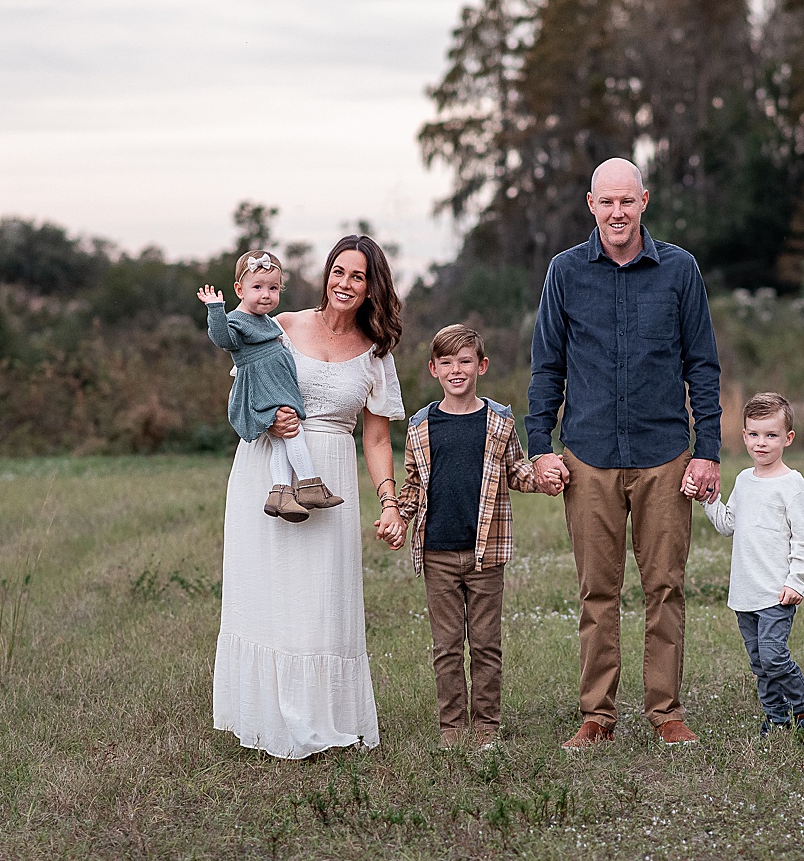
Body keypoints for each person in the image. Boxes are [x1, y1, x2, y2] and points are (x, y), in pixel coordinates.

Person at [526, 157, 723, 749]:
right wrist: (541, 447)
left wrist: (706, 451)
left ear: (644, 202)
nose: (617, 212)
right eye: (606, 202)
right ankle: (597, 717)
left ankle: (666, 713)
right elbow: (547, 368)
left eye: (627, 201)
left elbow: (703, 366)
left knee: (665, 586)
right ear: (591, 204)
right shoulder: (564, 273)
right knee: (597, 592)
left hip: (665, 454)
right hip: (587, 456)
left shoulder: (680, 270)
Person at [212, 234, 408, 760]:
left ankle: (321, 716)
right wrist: (267, 417)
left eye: (358, 276)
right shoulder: (283, 325)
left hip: (331, 475)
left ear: (372, 288)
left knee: (321, 599)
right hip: (266, 468)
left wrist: (390, 502)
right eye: (338, 272)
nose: (345, 283)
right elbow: (241, 390)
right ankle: (266, 717)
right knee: (268, 591)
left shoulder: (374, 352)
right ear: (326, 275)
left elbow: (376, 437)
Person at [396, 324, 562, 750]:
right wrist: (398, 515)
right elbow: (414, 484)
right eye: (447, 362)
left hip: (486, 553)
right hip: (437, 553)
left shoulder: (499, 422)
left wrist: (544, 478)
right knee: (446, 646)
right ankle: (452, 729)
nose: (457, 370)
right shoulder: (420, 426)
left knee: (486, 645)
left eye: (465, 361)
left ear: (481, 366)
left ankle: (487, 727)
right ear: (433, 369)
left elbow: (517, 472)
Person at [700, 392, 804, 740]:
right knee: (759, 663)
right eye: (754, 434)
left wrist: (797, 582)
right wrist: (709, 499)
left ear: (788, 438)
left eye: (771, 435)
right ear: (744, 436)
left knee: (773, 656)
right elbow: (727, 525)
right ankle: (776, 718)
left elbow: (803, 540)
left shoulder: (793, 486)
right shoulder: (743, 480)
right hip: (745, 592)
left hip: (776, 592)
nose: (761, 443)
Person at [196, 250, 342, 522]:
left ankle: (281, 495)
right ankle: (310, 485)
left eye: (273, 288)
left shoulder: (263, 320)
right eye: (258, 287)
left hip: (275, 384)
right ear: (239, 289)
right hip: (264, 387)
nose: (266, 294)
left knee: (279, 441)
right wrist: (215, 309)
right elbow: (222, 339)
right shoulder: (235, 320)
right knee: (291, 432)